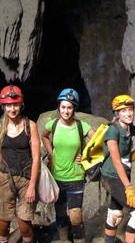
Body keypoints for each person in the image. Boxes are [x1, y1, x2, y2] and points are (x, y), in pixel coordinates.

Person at [41, 88, 95, 243]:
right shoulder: (53, 124)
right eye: (63, 107)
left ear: (74, 108)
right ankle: (64, 240)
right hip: (57, 177)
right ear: (59, 107)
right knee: (60, 213)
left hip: (75, 177)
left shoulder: (81, 126)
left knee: (76, 216)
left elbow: (99, 139)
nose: (66, 110)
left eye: (69, 107)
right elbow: (44, 136)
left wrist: (86, 156)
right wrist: (51, 152)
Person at [100, 94, 135, 243]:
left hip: (122, 176)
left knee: (115, 213)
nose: (128, 113)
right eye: (123, 111)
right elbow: (116, 162)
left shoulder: (130, 128)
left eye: (130, 110)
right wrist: (128, 187)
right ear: (117, 113)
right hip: (112, 177)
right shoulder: (113, 131)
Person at [0, 85, 40, 243]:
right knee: (2, 225)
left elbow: (36, 157)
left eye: (15, 104)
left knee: (24, 225)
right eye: (9, 105)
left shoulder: (30, 126)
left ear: (21, 105)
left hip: (25, 179)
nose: (12, 109)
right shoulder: (1, 127)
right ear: (4, 106)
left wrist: (31, 186)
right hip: (5, 178)